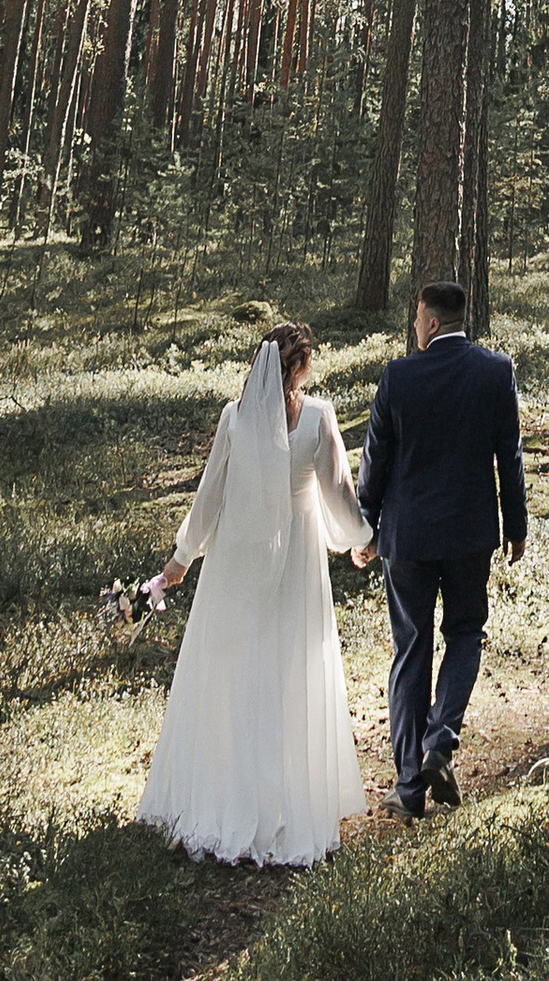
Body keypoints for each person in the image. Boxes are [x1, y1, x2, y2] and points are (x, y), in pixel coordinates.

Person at [137, 318, 376, 865]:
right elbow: (339, 490)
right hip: (294, 562)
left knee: (238, 677)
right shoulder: (317, 417)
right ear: (298, 367)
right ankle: (284, 798)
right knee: (289, 673)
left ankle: (232, 793)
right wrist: (360, 539)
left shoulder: (236, 418)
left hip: (237, 563)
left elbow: (211, 496)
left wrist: (179, 562)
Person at [356, 280, 526, 822]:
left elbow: (375, 459)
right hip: (469, 534)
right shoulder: (496, 372)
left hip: (406, 538)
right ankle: (441, 739)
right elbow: (511, 457)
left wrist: (366, 527)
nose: (414, 326)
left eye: (416, 319)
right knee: (465, 634)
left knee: (411, 649)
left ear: (430, 322)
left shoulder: (399, 377)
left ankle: (408, 790)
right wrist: (515, 525)